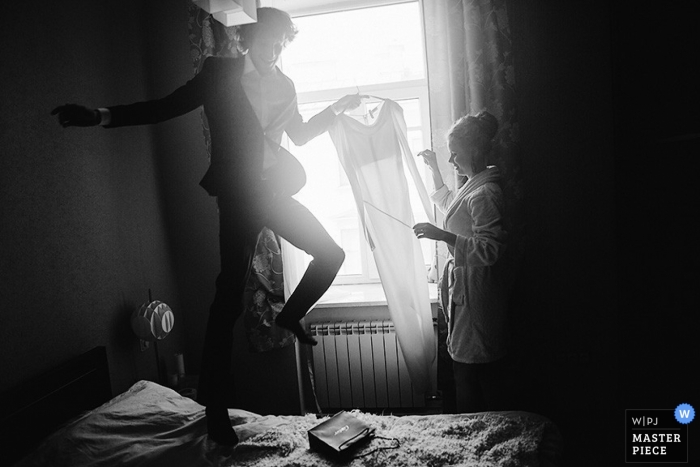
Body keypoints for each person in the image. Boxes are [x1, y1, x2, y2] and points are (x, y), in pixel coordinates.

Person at [52, 7, 361, 446]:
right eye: (268, 39)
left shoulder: (286, 85)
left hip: (274, 191)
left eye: (281, 42)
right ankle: (215, 410)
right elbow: (165, 107)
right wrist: (101, 115)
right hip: (238, 198)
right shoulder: (220, 72)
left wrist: (336, 109)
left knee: (331, 254)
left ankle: (289, 314)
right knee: (226, 300)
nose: (274, 49)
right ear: (250, 37)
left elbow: (302, 133)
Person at [414, 111, 509, 413]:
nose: (452, 160)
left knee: (471, 371)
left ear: (474, 150)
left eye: (455, 153)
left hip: (478, 294)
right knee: (464, 368)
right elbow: (454, 209)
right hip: (466, 292)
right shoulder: (473, 185)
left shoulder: (485, 192)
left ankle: (481, 427)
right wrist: (435, 171)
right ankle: (475, 425)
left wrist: (442, 236)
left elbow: (490, 249)